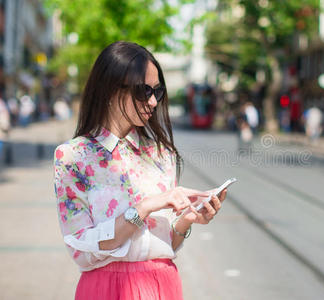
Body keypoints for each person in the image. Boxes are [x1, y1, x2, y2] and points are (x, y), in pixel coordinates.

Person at [53, 41, 227, 300]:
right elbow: (81, 250)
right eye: (144, 90)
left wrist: (186, 222)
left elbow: (165, 244)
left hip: (162, 285)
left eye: (158, 91)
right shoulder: (72, 157)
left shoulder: (161, 154)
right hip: (105, 289)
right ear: (110, 89)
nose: (153, 101)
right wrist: (143, 208)